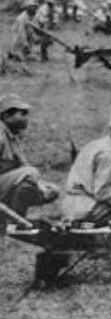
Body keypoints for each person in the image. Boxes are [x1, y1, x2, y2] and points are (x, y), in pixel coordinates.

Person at [0, 95, 60, 225]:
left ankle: (15, 220)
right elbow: (27, 171)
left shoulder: (11, 135)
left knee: (51, 189)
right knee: (30, 173)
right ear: (6, 116)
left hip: (5, 185)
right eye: (22, 114)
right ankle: (12, 221)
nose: (26, 118)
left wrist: (40, 185)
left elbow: (22, 164)